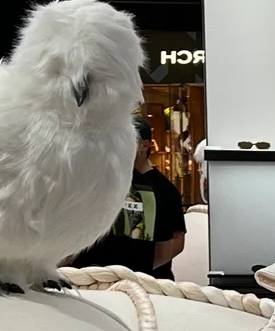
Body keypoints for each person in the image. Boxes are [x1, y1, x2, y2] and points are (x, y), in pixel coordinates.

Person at [67, 110, 186, 279]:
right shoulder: (95, 182)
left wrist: (137, 269)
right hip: (101, 277)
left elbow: (174, 242)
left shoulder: (156, 190)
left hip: (129, 279)